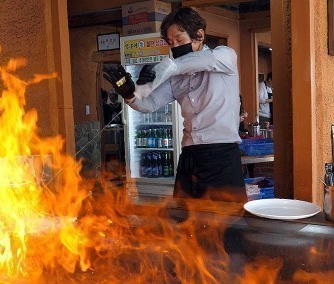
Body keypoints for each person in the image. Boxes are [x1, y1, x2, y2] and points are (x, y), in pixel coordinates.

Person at [103, 8, 246, 203]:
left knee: (225, 225)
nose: (175, 46)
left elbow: (182, 64)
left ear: (199, 35)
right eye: (170, 43)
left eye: (179, 40)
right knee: (183, 221)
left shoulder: (224, 56)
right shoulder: (175, 77)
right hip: (189, 156)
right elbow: (150, 104)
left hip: (221, 157)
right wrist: (129, 94)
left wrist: (159, 70)